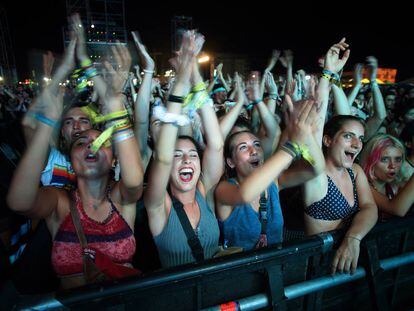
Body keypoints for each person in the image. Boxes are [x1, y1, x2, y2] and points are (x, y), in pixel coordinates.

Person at [7, 29, 143, 289]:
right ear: (71, 160)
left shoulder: (120, 197)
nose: (89, 144)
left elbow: (135, 181)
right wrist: (48, 119)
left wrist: (115, 105)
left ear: (115, 160)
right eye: (81, 143)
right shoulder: (58, 201)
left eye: (99, 142)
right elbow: (19, 202)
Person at [144, 31, 224, 268]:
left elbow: (217, 144)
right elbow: (164, 157)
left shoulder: (205, 193)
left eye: (192, 155)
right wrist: (180, 82)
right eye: (178, 156)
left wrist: (196, 75)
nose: (186, 160)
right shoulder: (158, 203)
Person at [303, 39, 378, 275]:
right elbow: (316, 125)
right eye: (348, 137)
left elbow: (369, 207)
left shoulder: (354, 172)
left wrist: (353, 238)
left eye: (360, 139)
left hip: (349, 266)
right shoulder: (314, 175)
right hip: (318, 271)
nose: (357, 145)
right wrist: (327, 74)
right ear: (326, 141)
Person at [215, 94, 325, 250]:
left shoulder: (274, 183)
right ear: (230, 162)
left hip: (276, 270)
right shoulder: (223, 189)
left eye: (257, 145)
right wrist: (292, 146)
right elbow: (244, 195)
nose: (254, 151)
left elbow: (316, 169)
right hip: (241, 273)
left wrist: (305, 132)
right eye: (243, 147)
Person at [360, 134, 414, 220]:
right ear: (370, 161)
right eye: (385, 159)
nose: (393, 165)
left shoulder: (396, 187)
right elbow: (397, 209)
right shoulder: (363, 186)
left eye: (398, 159)